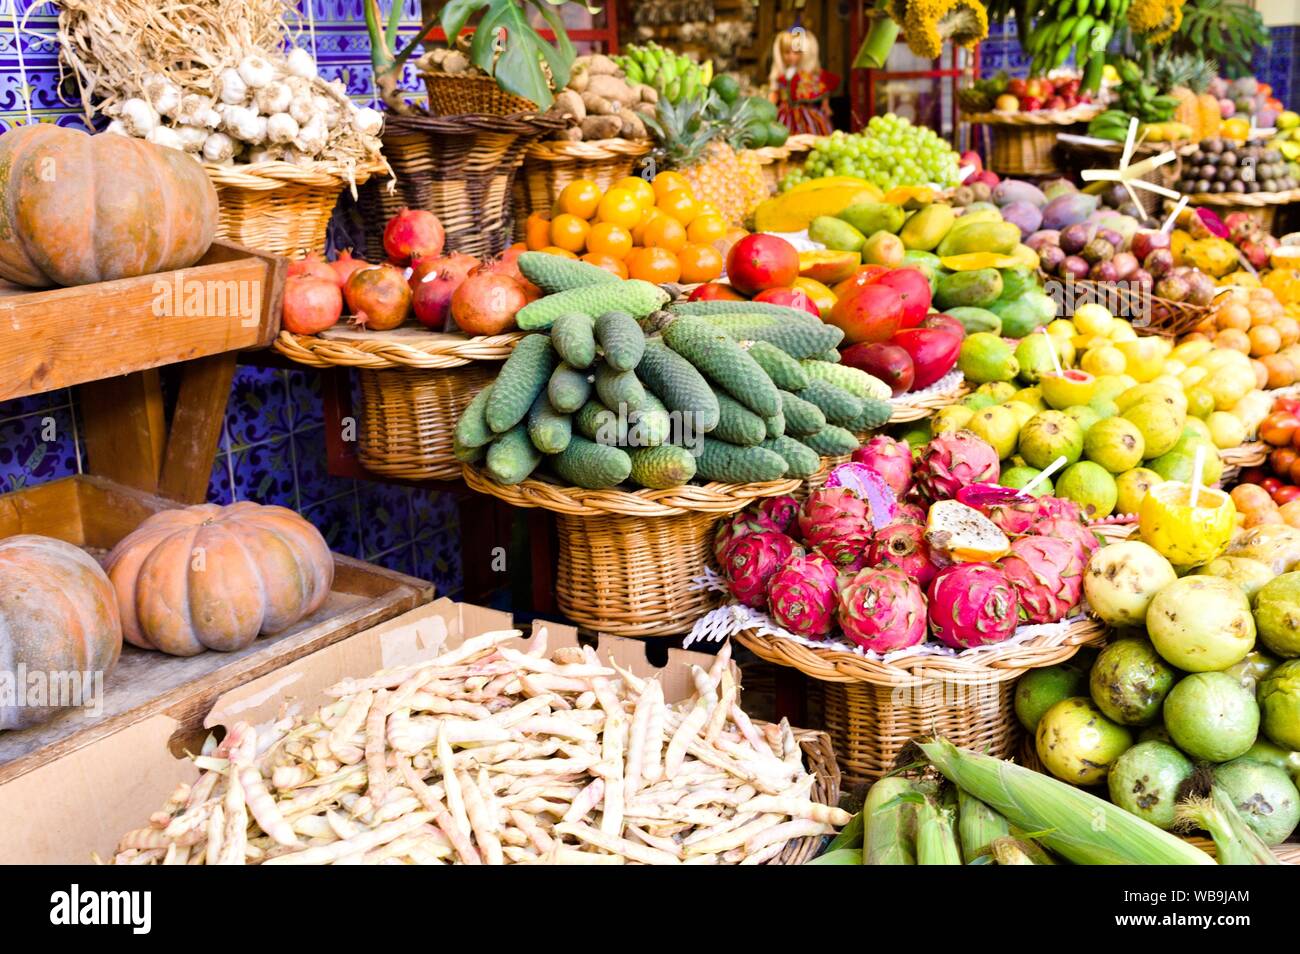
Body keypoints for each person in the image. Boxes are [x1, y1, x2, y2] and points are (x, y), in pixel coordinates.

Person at [769, 28, 839, 136]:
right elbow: (774, 93)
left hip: (807, 112)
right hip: (785, 113)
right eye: (787, 52)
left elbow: (823, 89)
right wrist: (770, 107)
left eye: (796, 52)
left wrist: (825, 105)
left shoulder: (808, 75)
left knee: (812, 132)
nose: (791, 56)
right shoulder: (781, 76)